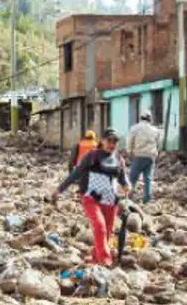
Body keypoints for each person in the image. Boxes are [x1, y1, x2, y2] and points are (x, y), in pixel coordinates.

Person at [51, 128, 131, 267]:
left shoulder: (119, 159)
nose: (112, 144)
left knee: (108, 232)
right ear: (102, 141)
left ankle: (95, 257)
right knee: (100, 227)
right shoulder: (91, 156)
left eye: (115, 141)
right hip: (91, 198)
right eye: (109, 140)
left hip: (111, 200)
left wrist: (127, 186)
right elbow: (75, 174)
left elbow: (123, 179)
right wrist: (59, 190)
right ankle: (105, 260)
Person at [127, 111, 162, 204]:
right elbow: (159, 144)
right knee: (148, 178)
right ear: (150, 119)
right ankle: (147, 199)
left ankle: (128, 197)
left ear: (140, 118)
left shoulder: (134, 128)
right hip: (151, 156)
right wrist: (156, 152)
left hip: (138, 155)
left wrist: (129, 152)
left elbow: (129, 141)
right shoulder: (155, 130)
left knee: (132, 178)